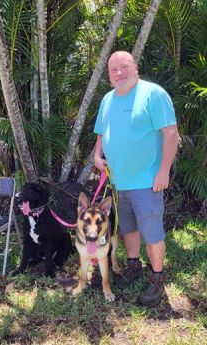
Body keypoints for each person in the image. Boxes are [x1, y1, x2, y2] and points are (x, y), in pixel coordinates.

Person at [94, 51, 179, 306]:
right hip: (118, 182)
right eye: (113, 70)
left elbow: (171, 133)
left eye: (124, 67)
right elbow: (101, 133)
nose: (119, 73)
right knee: (127, 228)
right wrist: (97, 156)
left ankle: (158, 281)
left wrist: (163, 170)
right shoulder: (107, 100)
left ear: (136, 68)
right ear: (109, 76)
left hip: (147, 181)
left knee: (152, 232)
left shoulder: (153, 94)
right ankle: (134, 267)